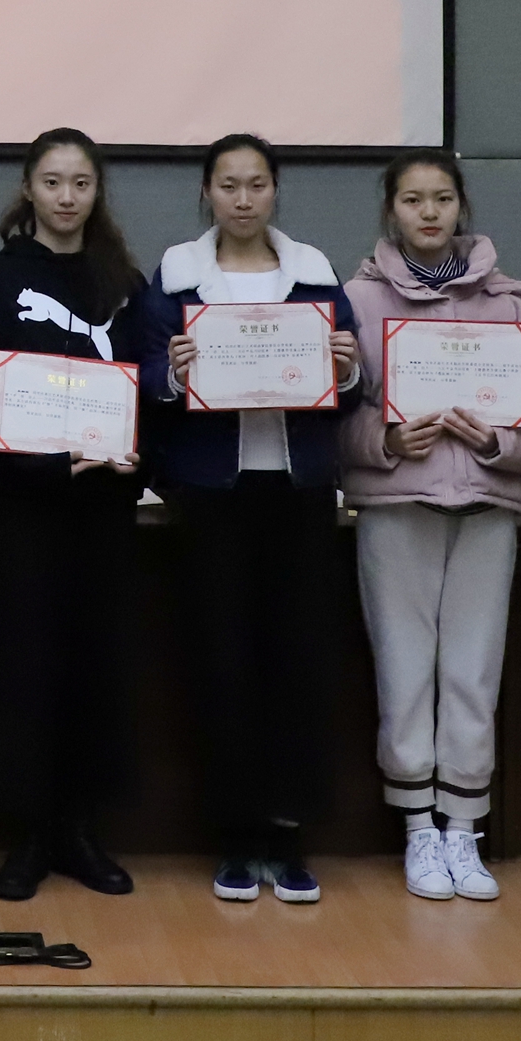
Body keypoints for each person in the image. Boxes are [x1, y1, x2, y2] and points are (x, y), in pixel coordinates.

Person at [133, 132, 360, 906]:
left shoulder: (314, 270)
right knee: (221, 660)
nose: (242, 197)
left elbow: (352, 381)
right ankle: (234, 835)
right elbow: (145, 374)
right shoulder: (176, 271)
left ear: (275, 190)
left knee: (298, 661)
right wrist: (173, 374)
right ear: (206, 191)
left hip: (298, 492)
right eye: (228, 184)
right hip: (212, 494)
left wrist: (346, 367)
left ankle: (288, 837)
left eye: (256, 183)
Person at [339, 150, 521, 904]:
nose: (427, 212)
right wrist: (387, 440)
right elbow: (331, 417)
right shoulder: (356, 300)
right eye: (411, 199)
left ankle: (463, 828)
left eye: (441, 198)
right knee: (404, 672)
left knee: (472, 672)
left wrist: (499, 442)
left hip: (487, 511)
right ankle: (417, 830)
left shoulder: (509, 303)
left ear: (462, 205)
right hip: (397, 508)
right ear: (390, 209)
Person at [0, 127, 148, 902]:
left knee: (95, 668)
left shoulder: (124, 283)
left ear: (97, 193)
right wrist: (34, 460)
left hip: (102, 510)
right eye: (54, 181)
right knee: (23, 668)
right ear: (29, 189)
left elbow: (147, 387)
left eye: (81, 183)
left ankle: (80, 830)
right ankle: (27, 834)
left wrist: (134, 457)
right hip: (21, 509)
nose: (67, 196)